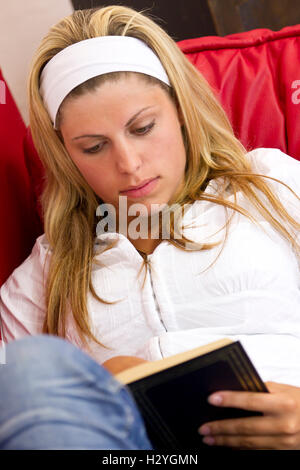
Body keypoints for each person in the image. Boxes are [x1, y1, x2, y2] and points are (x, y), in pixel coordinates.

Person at [0, 5, 300, 450]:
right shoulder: (52, 267)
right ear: (66, 155)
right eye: (94, 147)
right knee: (29, 371)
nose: (128, 164)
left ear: (180, 109)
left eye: (143, 127)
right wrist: (92, 389)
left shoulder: (270, 187)